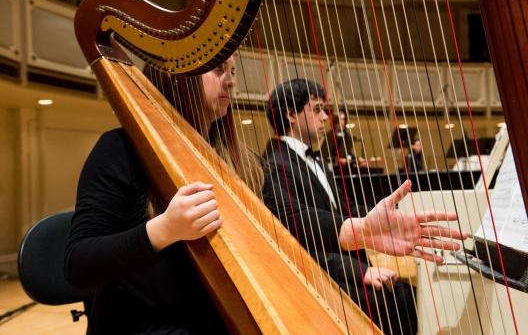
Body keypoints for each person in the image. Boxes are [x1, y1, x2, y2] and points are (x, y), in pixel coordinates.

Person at [64, 56, 262, 334]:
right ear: (177, 75)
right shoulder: (119, 149)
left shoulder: (242, 161)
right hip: (142, 325)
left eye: (232, 71)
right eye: (219, 70)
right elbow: (79, 265)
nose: (231, 81)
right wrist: (166, 229)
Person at [261, 78, 468, 335]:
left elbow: (345, 209)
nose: (326, 117)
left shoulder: (316, 161)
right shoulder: (275, 165)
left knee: (410, 296)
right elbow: (296, 240)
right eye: (316, 109)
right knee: (402, 301)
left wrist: (391, 217)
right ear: (290, 114)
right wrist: (361, 271)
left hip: (342, 266)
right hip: (320, 272)